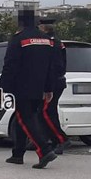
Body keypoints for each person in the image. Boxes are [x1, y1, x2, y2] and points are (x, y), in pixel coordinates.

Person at [0, 9, 59, 169]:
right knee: (24, 119)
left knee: (26, 119)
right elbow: (51, 67)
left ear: (21, 22)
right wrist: (49, 88)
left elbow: (10, 65)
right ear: (36, 21)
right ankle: (17, 154)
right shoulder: (47, 40)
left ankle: (45, 150)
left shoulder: (18, 39)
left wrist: (2, 87)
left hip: (22, 86)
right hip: (39, 87)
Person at [38, 18, 71, 154]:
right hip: (56, 81)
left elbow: (54, 66)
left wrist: (48, 87)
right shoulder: (57, 42)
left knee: (45, 113)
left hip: (53, 83)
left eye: (39, 27)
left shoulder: (50, 44)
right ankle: (54, 141)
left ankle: (61, 139)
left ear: (44, 28)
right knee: (49, 112)